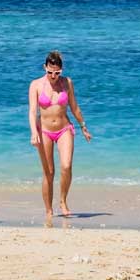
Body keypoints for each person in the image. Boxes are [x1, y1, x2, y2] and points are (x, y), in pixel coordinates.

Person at [28, 50, 91, 220]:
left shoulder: (67, 83)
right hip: (44, 131)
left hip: (64, 128)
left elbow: (74, 107)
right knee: (49, 172)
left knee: (66, 166)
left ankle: (63, 200)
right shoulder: (36, 85)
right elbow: (33, 111)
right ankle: (48, 210)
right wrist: (34, 132)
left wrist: (83, 126)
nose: (53, 76)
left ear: (61, 70)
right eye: (50, 72)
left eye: (57, 73)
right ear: (45, 68)